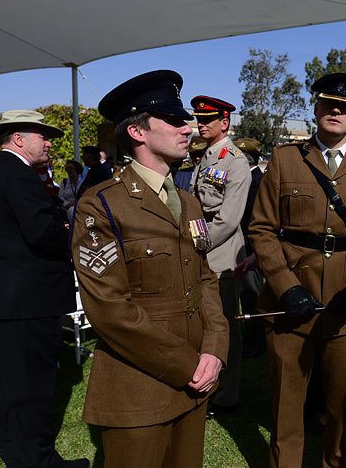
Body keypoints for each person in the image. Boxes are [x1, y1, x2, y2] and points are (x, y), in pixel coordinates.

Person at [71, 70, 229, 468]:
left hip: (196, 383)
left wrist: (214, 350)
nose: (188, 126)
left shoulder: (188, 201)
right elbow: (110, 310)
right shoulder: (101, 205)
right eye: (174, 120)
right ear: (138, 133)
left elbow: (206, 280)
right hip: (138, 387)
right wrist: (187, 364)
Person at [248, 73, 346, 467]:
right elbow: (261, 229)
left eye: (345, 107)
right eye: (329, 103)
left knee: (343, 407)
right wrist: (284, 286)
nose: (336, 111)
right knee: (286, 405)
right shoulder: (285, 158)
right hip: (290, 299)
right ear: (315, 107)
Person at [0, 110, 89, 468]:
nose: (49, 143)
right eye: (42, 136)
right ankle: (39, 461)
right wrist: (68, 235)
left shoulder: (2, 170)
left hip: (8, 299)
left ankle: (17, 451)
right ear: (19, 139)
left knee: (8, 387)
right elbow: (39, 231)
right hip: (28, 302)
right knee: (31, 389)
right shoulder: (19, 175)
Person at [189, 95, 251, 419]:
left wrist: (196, 245)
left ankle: (227, 396)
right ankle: (210, 383)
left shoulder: (235, 160)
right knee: (206, 324)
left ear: (224, 122)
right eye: (199, 118)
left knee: (225, 326)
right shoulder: (207, 156)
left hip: (221, 253)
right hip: (204, 248)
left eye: (208, 119)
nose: (201, 124)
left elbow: (227, 218)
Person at [232, 137, 266, 357]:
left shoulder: (256, 182)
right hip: (246, 244)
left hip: (251, 246)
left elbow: (255, 219)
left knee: (252, 294)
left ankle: (257, 341)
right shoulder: (248, 179)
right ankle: (253, 336)